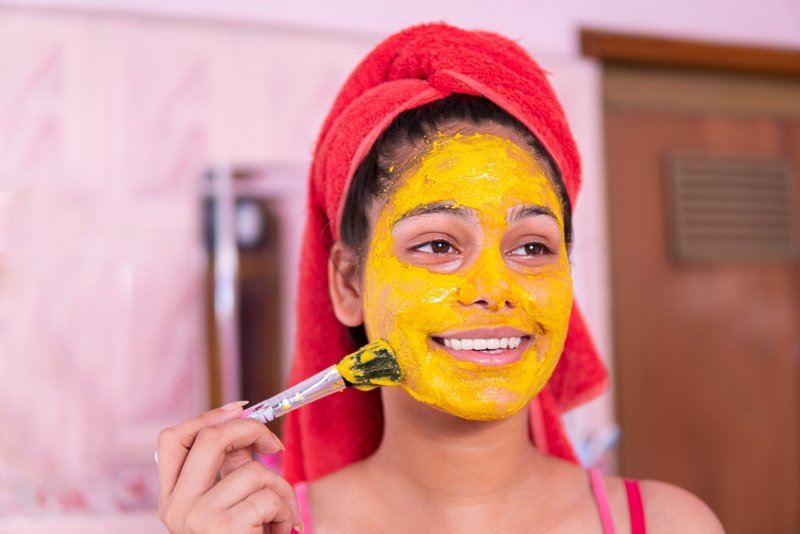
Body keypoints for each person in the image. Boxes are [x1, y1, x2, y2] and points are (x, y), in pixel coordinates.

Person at [156, 24, 724, 534]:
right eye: (438, 245)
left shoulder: (672, 525)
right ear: (349, 285)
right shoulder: (268, 529)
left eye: (532, 246)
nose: (493, 287)